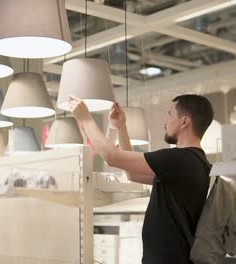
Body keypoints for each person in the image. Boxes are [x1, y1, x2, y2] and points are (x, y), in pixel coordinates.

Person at [68, 94, 214, 264]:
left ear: (184, 121)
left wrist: (85, 119)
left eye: (170, 114)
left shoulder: (179, 159)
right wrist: (121, 127)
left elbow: (111, 157)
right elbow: (133, 174)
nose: (165, 122)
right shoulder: (195, 162)